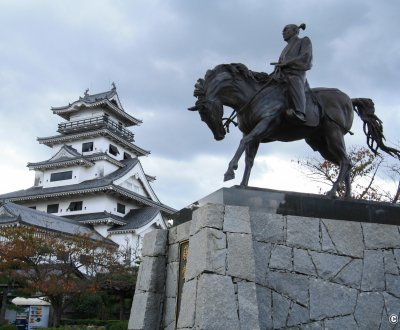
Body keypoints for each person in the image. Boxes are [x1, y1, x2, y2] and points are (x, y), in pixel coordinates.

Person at [271, 23, 313, 123]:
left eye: (286, 30)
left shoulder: (304, 41)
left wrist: (287, 63)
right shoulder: (285, 49)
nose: (283, 32)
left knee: (293, 80)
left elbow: (306, 57)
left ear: (295, 31)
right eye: (283, 30)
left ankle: (300, 112)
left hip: (296, 74)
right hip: (281, 75)